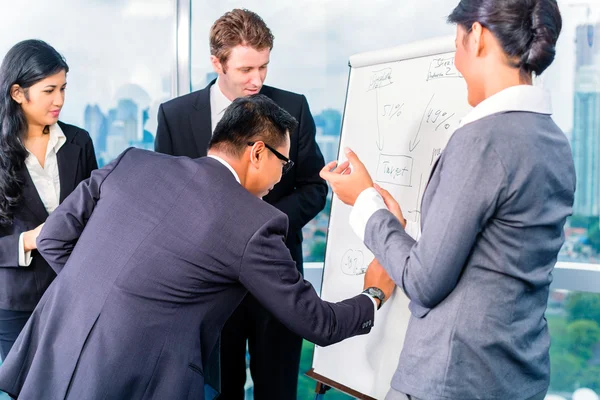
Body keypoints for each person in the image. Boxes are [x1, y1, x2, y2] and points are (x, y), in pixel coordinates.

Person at [0, 94, 394, 400]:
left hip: (55, 352)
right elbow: (317, 322)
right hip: (137, 380)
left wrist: (103, 293)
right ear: (257, 152)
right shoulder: (253, 223)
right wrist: (374, 292)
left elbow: (52, 238)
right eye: (284, 163)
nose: (281, 176)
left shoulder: (133, 162)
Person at [320, 0, 575, 399]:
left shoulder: (482, 141)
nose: (456, 61)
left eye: (456, 43)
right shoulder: (555, 141)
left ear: (476, 36)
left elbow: (425, 281)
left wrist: (365, 201)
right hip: (516, 376)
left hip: (450, 378)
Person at [155, 9, 327, 399]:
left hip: (278, 279)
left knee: (278, 390)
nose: (258, 80)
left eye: (264, 66)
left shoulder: (294, 108)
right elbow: (167, 199)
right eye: (247, 69)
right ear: (217, 63)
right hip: (209, 286)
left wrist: (261, 224)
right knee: (219, 390)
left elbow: (315, 187)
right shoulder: (176, 116)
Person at [0, 39, 97, 361]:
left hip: (72, 294)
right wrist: (27, 241)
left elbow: (96, 213)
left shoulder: (79, 141)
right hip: (16, 302)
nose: (59, 100)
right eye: (49, 90)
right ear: (17, 93)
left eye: (64, 88)